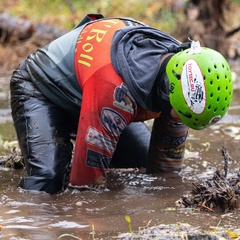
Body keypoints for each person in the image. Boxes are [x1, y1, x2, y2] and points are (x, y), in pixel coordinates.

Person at [10, 14, 233, 194]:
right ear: (169, 93)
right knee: (48, 181)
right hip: (40, 89)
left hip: (93, 89)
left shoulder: (182, 66)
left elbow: (165, 172)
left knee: (142, 162)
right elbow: (85, 188)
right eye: (180, 115)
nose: (180, 122)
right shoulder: (116, 94)